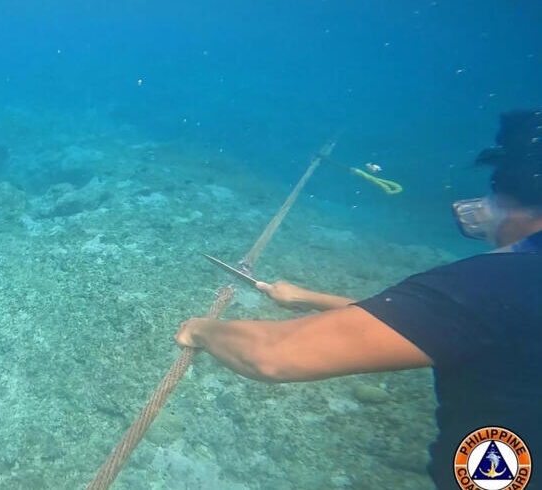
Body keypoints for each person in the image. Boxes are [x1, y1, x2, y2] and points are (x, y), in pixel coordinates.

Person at [175, 110, 542, 488]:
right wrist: (308, 298)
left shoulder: (494, 281)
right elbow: (429, 322)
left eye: (495, 195)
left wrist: (201, 330)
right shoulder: (504, 290)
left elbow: (273, 355)